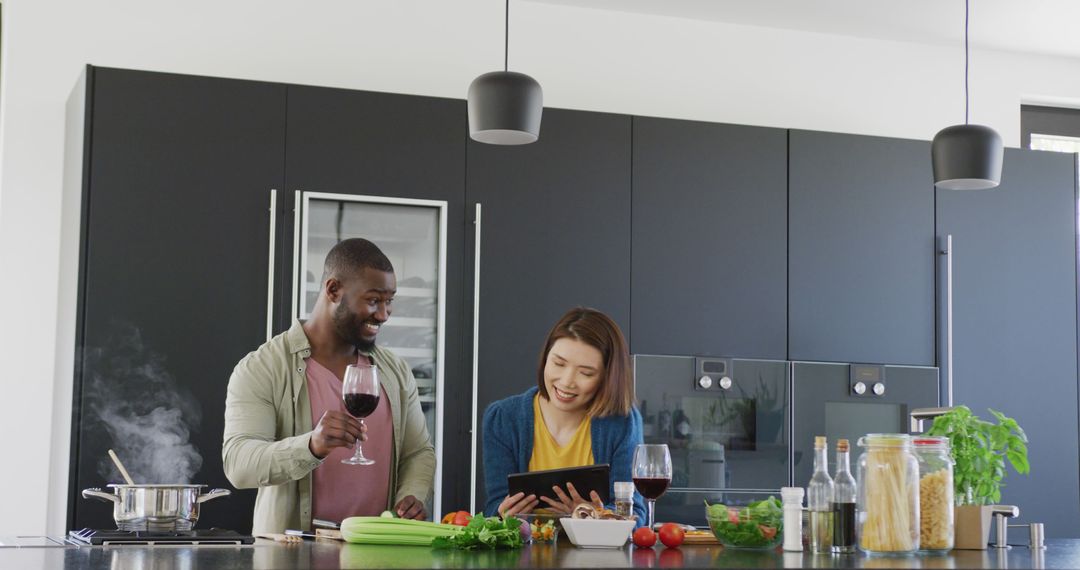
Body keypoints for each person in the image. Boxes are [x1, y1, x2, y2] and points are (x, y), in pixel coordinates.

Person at [223, 238, 435, 534]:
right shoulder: (263, 367)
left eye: (390, 301)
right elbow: (239, 463)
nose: (384, 314)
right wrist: (310, 446)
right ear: (334, 290)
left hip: (379, 552)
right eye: (374, 300)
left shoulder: (395, 370)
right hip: (291, 557)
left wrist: (411, 495)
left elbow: (418, 452)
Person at [482, 307, 646, 523]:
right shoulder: (503, 419)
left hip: (597, 556)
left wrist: (589, 516)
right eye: (558, 363)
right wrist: (503, 514)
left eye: (586, 373)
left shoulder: (622, 423)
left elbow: (635, 516)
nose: (567, 381)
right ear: (545, 357)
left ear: (608, 377)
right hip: (524, 553)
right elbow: (494, 506)